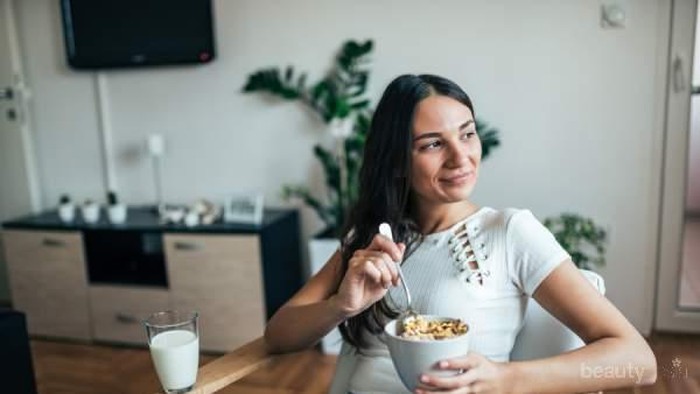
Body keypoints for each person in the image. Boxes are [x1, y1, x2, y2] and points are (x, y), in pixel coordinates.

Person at [264, 74, 657, 393]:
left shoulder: (509, 232)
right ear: (398, 162)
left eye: (467, 134)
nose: (460, 157)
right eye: (433, 144)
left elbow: (638, 361)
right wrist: (341, 306)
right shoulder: (371, 239)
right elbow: (278, 336)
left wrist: (505, 379)